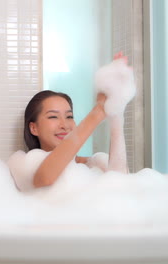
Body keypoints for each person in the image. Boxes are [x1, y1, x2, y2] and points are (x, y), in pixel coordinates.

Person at [9, 52, 130, 190]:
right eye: (53, 117)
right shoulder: (21, 162)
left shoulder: (93, 163)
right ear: (33, 128)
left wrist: (116, 115)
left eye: (69, 116)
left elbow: (121, 186)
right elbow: (45, 177)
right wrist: (99, 110)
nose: (65, 125)